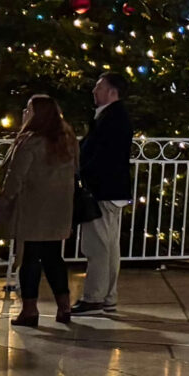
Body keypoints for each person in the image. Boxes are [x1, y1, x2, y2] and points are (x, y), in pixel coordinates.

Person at [0, 93, 80, 327]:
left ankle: (29, 309)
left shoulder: (29, 141)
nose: (24, 113)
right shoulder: (67, 140)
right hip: (58, 208)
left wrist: (5, 198)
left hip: (33, 208)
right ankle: (64, 306)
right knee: (53, 257)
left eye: (28, 109)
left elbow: (16, 175)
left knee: (30, 257)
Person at [72, 71, 135, 315]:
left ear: (111, 92)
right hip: (112, 189)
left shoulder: (112, 118)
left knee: (98, 246)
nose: (94, 91)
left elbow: (101, 156)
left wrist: (82, 173)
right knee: (108, 245)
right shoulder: (114, 117)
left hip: (103, 190)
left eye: (99, 87)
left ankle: (95, 297)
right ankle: (107, 296)